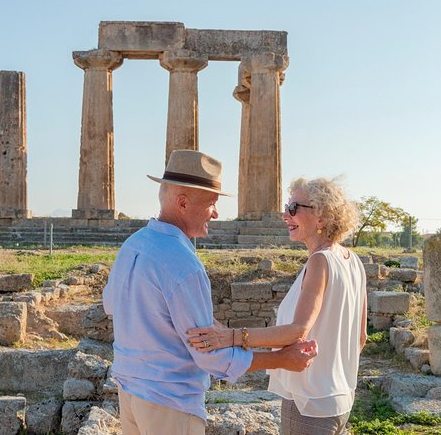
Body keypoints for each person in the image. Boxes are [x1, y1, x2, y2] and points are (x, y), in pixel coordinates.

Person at [103, 150, 318, 435]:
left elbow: (110, 306)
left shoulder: (133, 244)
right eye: (211, 204)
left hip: (129, 392)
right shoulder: (182, 263)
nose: (216, 213)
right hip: (169, 403)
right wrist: (280, 359)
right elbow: (208, 356)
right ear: (182, 203)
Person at [187, 176, 367, 435]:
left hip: (308, 403)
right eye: (286, 206)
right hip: (340, 400)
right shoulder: (353, 261)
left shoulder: (321, 261)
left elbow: (297, 330)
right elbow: (360, 338)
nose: (285, 215)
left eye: (294, 208)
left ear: (322, 217)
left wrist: (230, 337)